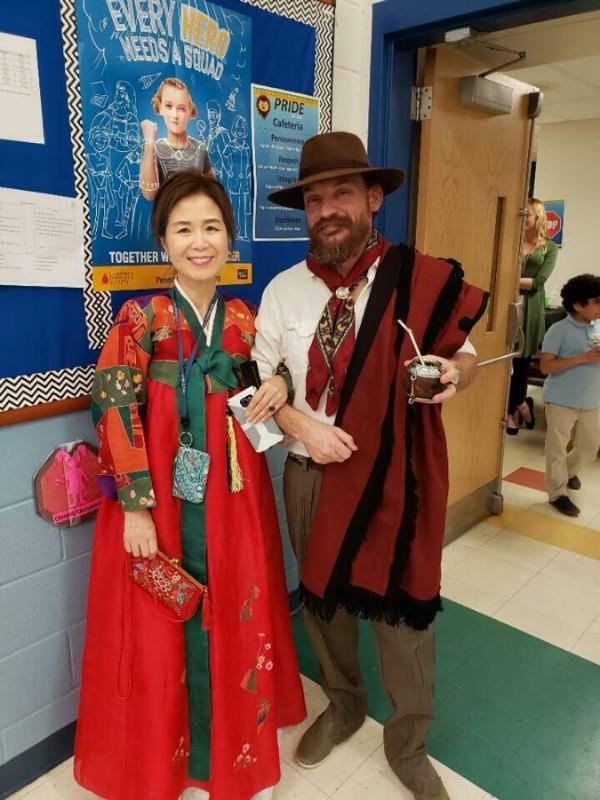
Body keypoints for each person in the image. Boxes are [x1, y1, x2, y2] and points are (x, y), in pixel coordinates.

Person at [247, 131, 488, 800]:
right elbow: (249, 382)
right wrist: (297, 423)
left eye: (342, 194)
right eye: (314, 199)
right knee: (322, 605)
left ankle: (408, 742)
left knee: (402, 615)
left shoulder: (420, 280)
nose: (327, 209)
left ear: (373, 199)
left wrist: (456, 374)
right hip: (310, 474)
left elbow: (465, 354)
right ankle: (346, 702)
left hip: (396, 479)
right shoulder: (283, 292)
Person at [74, 171, 306, 800]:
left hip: (233, 503)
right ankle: (164, 763)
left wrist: (280, 383)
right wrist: (138, 510)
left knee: (234, 611)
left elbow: (270, 377)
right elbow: (115, 410)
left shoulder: (244, 317)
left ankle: (229, 752)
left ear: (229, 238)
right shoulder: (139, 318)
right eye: (183, 230)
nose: (199, 242)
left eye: (211, 228)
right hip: (159, 506)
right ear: (164, 242)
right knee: (157, 628)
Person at [539, 273, 600, 517]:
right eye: (596, 301)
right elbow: (546, 367)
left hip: (593, 400)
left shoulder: (598, 325)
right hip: (561, 400)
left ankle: (569, 471)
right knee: (556, 448)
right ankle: (557, 493)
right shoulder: (558, 330)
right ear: (577, 305)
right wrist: (582, 358)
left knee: (589, 448)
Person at [506, 198, 558, 434]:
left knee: (522, 362)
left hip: (531, 311)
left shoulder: (549, 249)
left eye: (527, 214)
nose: (523, 218)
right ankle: (519, 406)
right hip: (508, 307)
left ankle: (515, 409)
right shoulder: (512, 242)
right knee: (505, 363)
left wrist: (509, 281)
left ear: (537, 217)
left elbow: (538, 283)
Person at [140, 78, 213, 201]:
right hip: (166, 217)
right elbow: (149, 194)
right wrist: (149, 143)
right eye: (168, 106)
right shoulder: (155, 149)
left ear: (190, 112)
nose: (175, 115)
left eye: (181, 108)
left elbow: (213, 190)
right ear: (160, 107)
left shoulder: (200, 149)